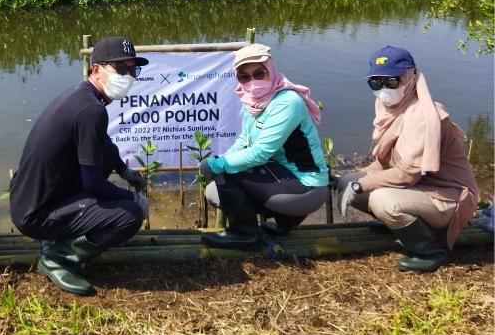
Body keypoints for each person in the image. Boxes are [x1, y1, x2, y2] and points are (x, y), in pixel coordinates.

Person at [10, 36, 149, 295]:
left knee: (105, 155)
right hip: (35, 215)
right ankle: (58, 258)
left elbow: (105, 147)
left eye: (133, 69)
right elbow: (93, 184)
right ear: (96, 70)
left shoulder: (82, 97)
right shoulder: (91, 111)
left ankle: (60, 236)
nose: (129, 76)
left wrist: (125, 172)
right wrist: (131, 197)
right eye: (121, 69)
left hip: (31, 199)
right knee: (129, 215)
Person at [337, 45, 479, 272]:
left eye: (392, 81)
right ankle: (400, 226)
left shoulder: (423, 115)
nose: (384, 89)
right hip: (420, 187)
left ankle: (430, 251)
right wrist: (346, 180)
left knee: (381, 199)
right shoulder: (387, 106)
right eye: (376, 82)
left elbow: (407, 174)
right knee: (346, 184)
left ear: (411, 76)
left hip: (447, 194)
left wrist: (360, 184)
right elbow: (386, 162)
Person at [200, 43, 329, 249]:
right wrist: (219, 160)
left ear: (271, 70)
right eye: (244, 77)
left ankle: (245, 235)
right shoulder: (252, 101)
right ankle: (285, 221)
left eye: (259, 73)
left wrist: (219, 165)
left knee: (227, 174)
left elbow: (261, 152)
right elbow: (245, 140)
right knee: (216, 188)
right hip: (285, 177)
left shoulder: (287, 102)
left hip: (308, 185)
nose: (253, 81)